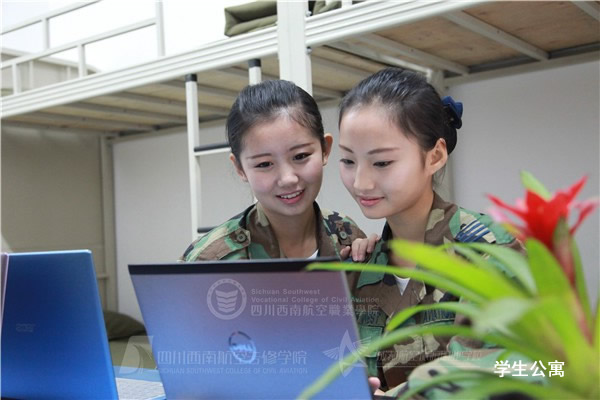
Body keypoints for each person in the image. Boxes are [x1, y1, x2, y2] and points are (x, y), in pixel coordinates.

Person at [336, 68, 523, 394]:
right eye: (349, 161)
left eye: (381, 163)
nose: (360, 182)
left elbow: (516, 372)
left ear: (434, 156)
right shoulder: (360, 267)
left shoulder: (489, 254)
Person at [181, 79, 366, 262]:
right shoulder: (209, 262)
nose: (288, 179)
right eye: (264, 164)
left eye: (300, 156)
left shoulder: (347, 237)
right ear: (240, 168)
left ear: (325, 149)